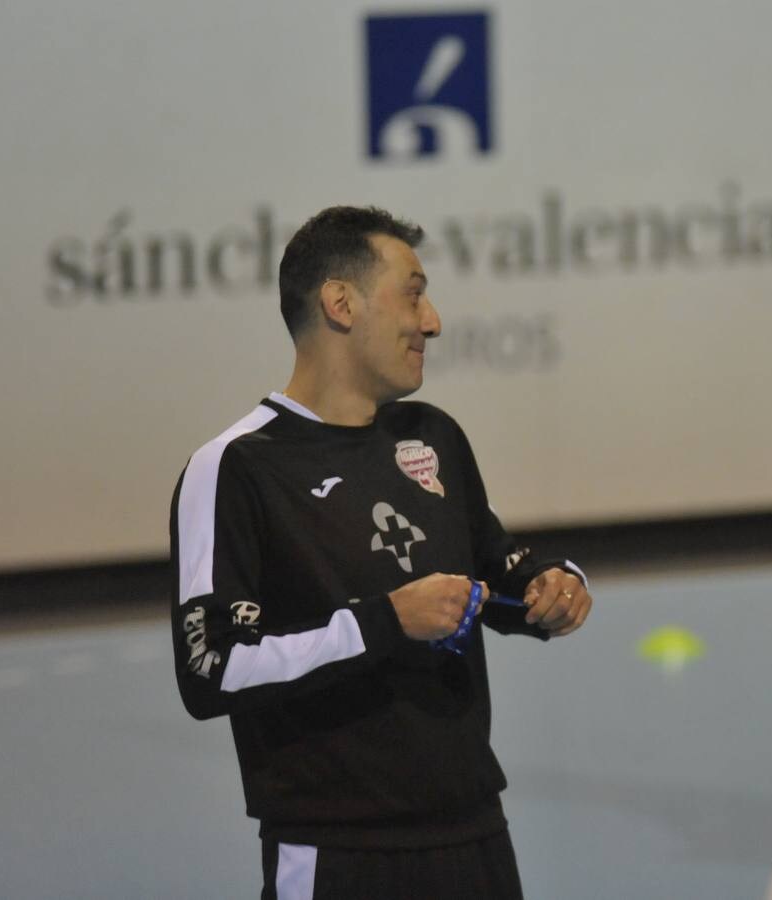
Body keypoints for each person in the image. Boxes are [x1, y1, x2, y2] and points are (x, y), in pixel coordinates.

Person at [169, 205, 592, 899]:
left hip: (474, 834)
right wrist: (383, 622)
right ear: (341, 302)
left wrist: (554, 585)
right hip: (338, 851)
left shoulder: (434, 436)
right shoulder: (236, 468)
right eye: (415, 292)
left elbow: (498, 567)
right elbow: (211, 669)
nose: (433, 321)